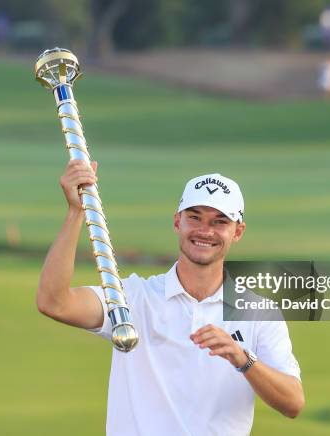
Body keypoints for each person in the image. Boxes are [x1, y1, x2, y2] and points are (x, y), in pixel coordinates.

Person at [37, 160, 305, 435]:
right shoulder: (131, 298)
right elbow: (54, 302)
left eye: (220, 221)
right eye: (195, 217)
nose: (205, 230)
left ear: (238, 231)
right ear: (177, 221)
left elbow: (293, 402)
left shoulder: (258, 313)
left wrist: (242, 358)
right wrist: (75, 213)